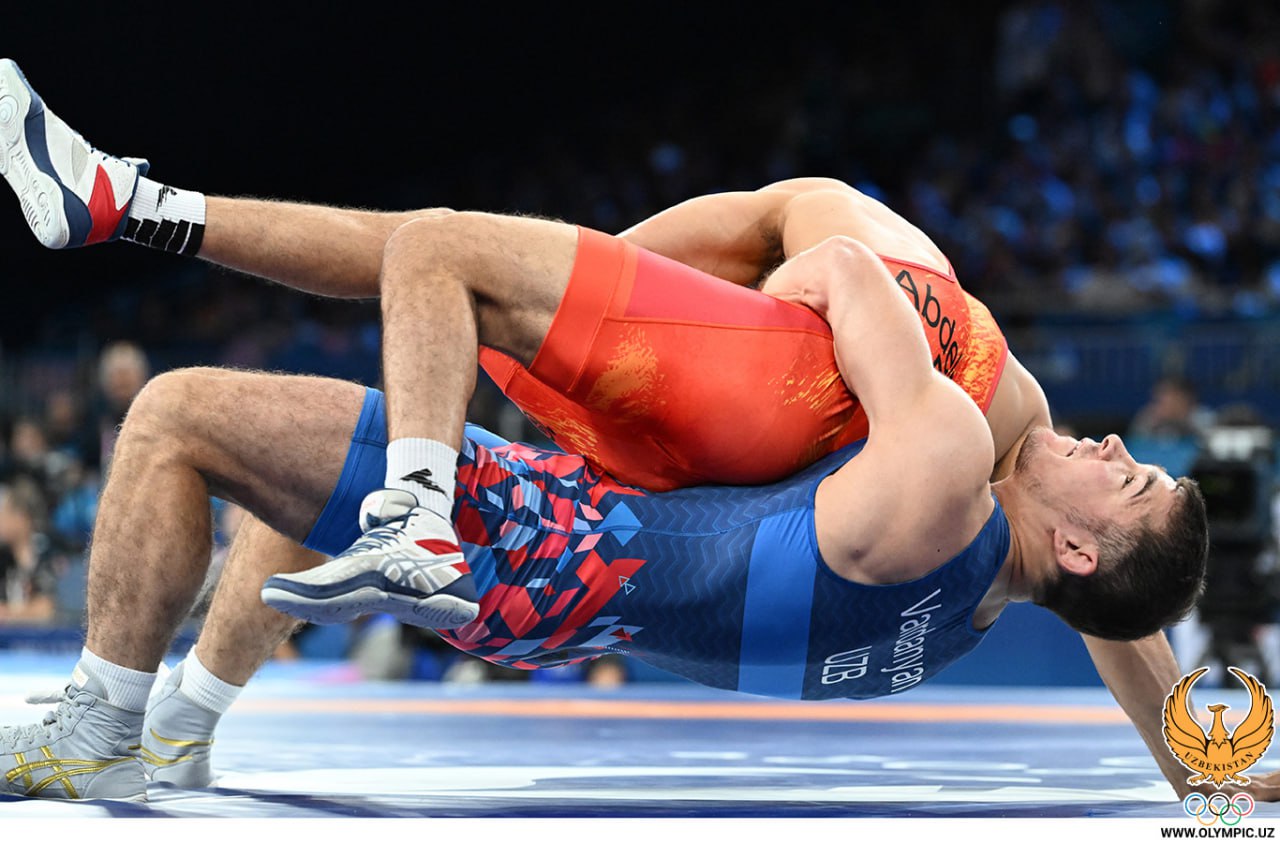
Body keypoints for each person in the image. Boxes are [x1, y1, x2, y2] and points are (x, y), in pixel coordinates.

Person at [0, 58, 1231, 802]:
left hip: (542, 529)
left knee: (389, 282)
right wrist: (1198, 767)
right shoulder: (973, 605)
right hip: (564, 576)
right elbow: (1122, 609)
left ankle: (136, 212)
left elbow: (844, 266)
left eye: (1129, 481)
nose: (1116, 450)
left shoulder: (952, 460)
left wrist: (613, 290)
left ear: (1072, 546)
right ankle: (181, 723)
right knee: (318, 458)